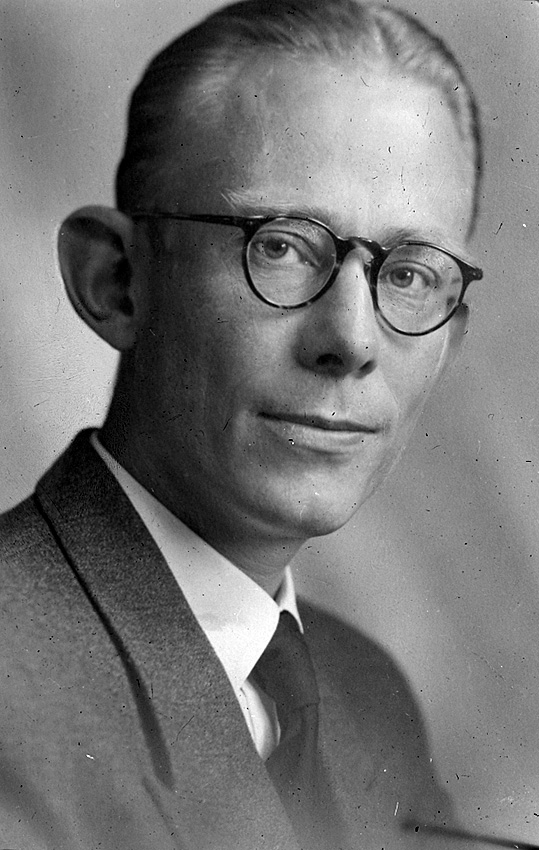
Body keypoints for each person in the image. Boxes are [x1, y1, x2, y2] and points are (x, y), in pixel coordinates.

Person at [0, 0, 484, 848]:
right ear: (115, 281)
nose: (351, 341)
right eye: (280, 246)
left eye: (409, 274)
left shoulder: (366, 698)